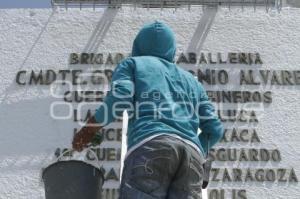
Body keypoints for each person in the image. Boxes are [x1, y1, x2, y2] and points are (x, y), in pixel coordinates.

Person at [72, 21, 224, 199]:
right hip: (192, 156)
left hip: (151, 145)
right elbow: (214, 129)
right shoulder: (192, 82)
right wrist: (197, 148)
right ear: (171, 49)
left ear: (138, 45)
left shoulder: (133, 64)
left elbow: (120, 98)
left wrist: (89, 129)